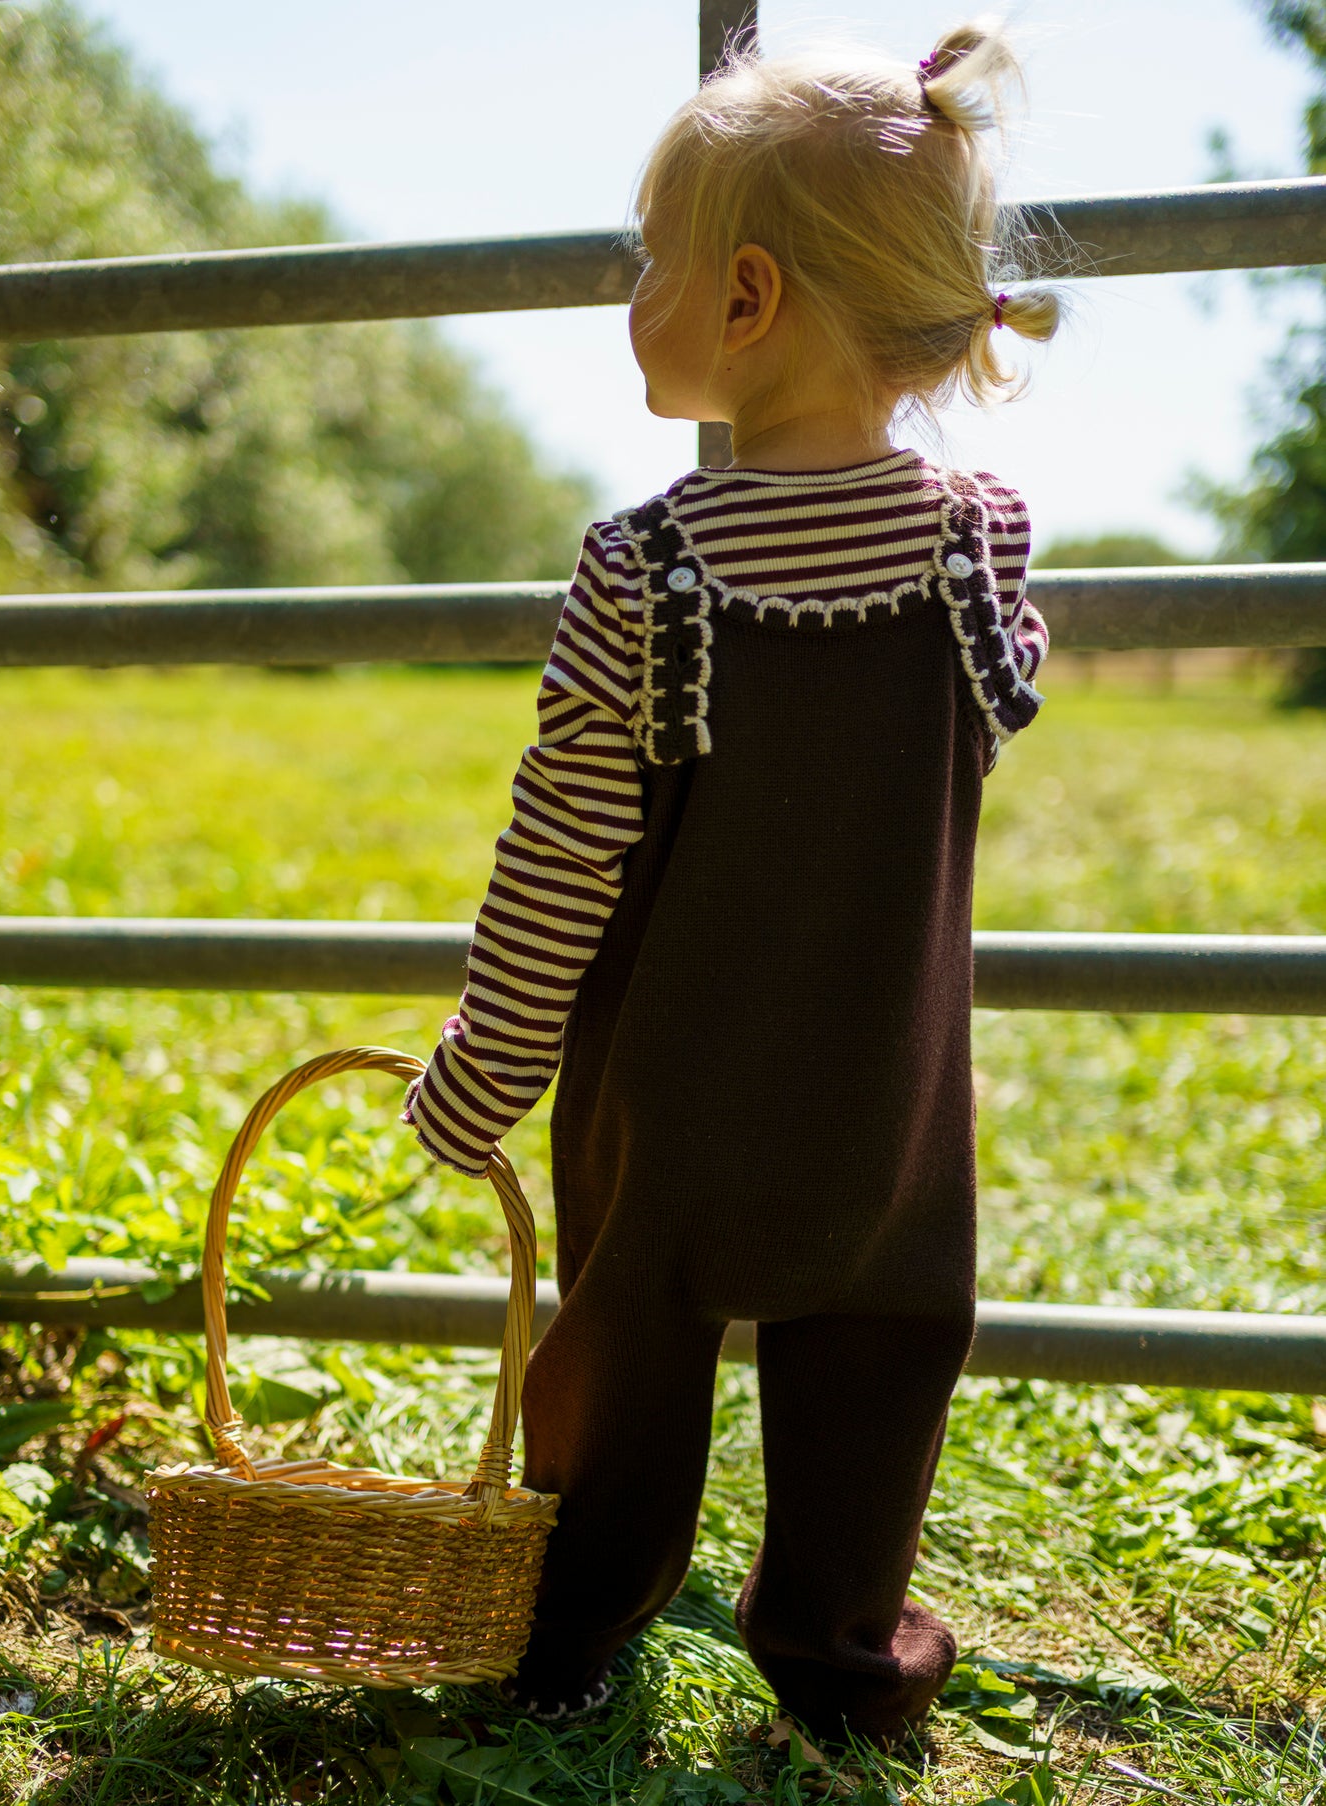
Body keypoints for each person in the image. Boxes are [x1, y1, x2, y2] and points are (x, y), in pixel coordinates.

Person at [404, 20, 1059, 1747]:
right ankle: (848, 1666)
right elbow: (1007, 701)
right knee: (877, 1361)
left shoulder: (647, 573)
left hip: (672, 1109)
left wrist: (483, 1073)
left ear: (746, 299)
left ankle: (561, 1643)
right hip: (888, 1106)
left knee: (623, 1375)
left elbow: (559, 854)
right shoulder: (974, 540)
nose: (636, 294)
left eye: (655, 265)